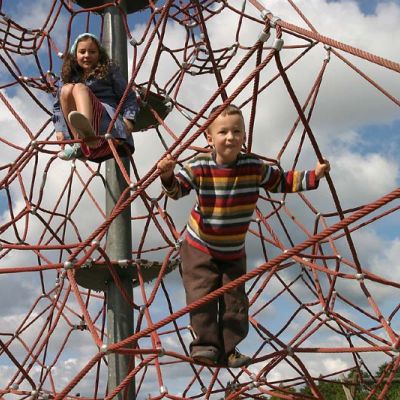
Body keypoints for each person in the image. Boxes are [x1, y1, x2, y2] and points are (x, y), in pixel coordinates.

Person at [157, 104, 330, 368]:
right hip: (199, 245)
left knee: (235, 301)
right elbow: (177, 191)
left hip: (233, 248)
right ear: (209, 138)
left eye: (237, 131)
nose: (230, 137)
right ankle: (205, 345)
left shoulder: (253, 167)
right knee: (201, 296)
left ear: (244, 136)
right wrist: (167, 175)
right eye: (223, 132)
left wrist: (313, 176)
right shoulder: (199, 165)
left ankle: (229, 349)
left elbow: (281, 181)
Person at [52, 33, 139, 161]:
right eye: (82, 52)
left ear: (99, 54)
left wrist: (129, 120)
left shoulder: (108, 70)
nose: (87, 55)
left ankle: (86, 130)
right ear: (75, 55)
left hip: (107, 127)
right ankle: (78, 143)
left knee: (79, 88)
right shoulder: (68, 76)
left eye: (92, 52)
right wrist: (59, 129)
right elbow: (57, 106)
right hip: (87, 143)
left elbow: (128, 96)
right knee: (65, 90)